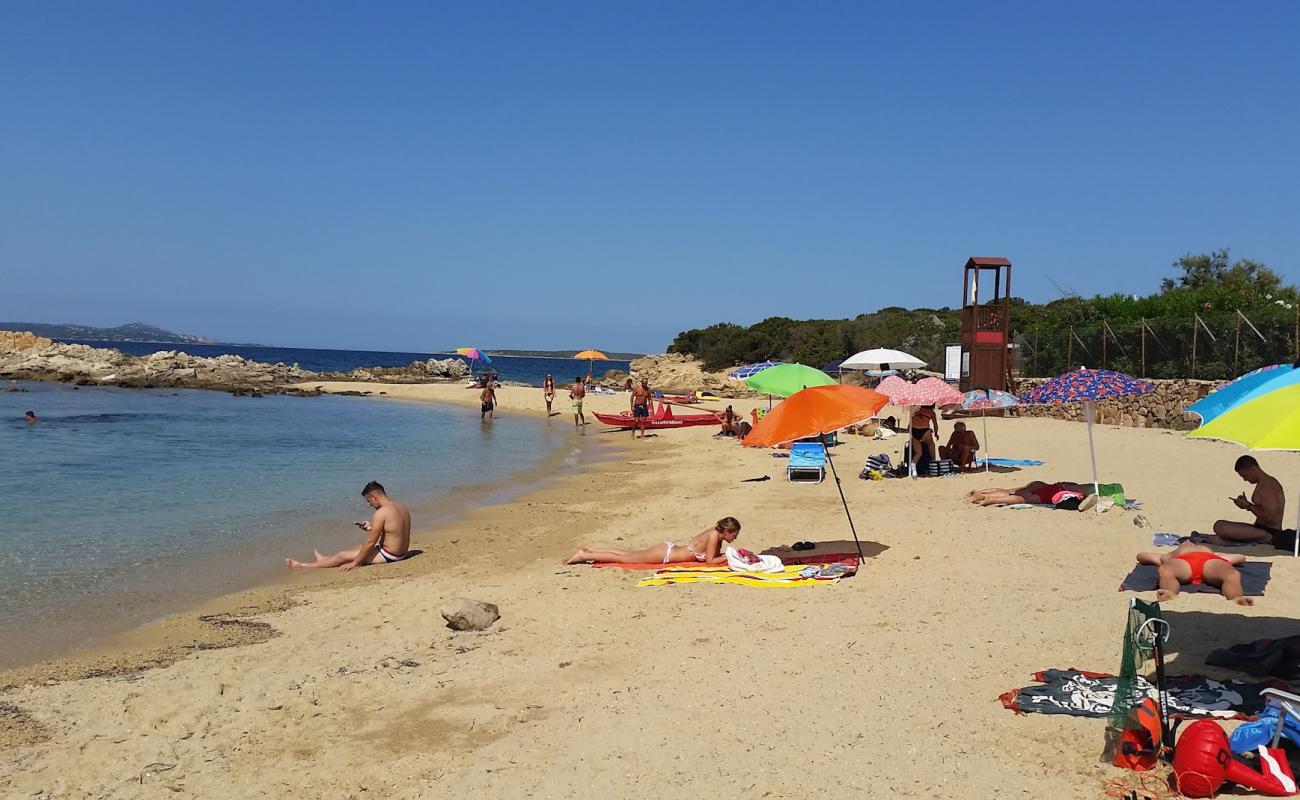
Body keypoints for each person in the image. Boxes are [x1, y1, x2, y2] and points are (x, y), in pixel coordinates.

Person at [286, 481, 412, 570]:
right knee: (359, 548)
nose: (369, 505)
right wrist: (372, 527)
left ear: (374, 497)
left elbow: (370, 542)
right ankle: (325, 559)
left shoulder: (381, 513)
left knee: (343, 555)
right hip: (401, 552)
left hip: (391, 555)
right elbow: (395, 530)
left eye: (369, 501)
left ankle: (303, 566)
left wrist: (355, 562)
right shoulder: (401, 506)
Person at [566, 517, 741, 565]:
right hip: (665, 554)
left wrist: (728, 554)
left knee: (628, 554)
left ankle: (591, 551)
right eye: (734, 535)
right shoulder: (713, 537)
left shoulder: (715, 534)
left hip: (668, 550)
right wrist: (729, 556)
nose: (735, 538)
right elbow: (711, 562)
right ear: (726, 531)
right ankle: (583, 555)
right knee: (624, 559)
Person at [1134, 541, 1252, 605]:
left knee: (1232, 574)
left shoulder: (1213, 553)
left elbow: (1241, 557)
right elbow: (1141, 556)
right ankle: (1169, 592)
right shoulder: (1171, 555)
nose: (1188, 542)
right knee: (1165, 570)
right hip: (1183, 562)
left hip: (1209, 561)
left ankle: (1236, 598)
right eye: (1184, 542)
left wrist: (1218, 556)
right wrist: (1173, 553)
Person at [1210, 455, 1287, 545]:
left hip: (1270, 532)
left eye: (1244, 475)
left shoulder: (1268, 485)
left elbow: (1270, 517)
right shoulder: (1263, 483)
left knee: (1224, 529)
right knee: (1219, 524)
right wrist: (1246, 504)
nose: (1245, 480)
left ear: (1253, 469)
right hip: (1259, 528)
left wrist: (1248, 506)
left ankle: (1265, 537)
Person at [966, 480, 1093, 507]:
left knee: (1009, 491)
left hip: (1047, 485)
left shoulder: (1076, 485)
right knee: (1022, 499)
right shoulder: (1088, 490)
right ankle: (988, 498)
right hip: (1052, 492)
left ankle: (981, 493)